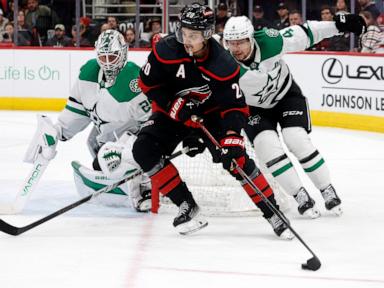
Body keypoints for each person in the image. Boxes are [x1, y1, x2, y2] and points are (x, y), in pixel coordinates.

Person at [128, 3, 293, 239]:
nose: (186, 40)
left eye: (193, 35)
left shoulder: (223, 64)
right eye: (184, 32)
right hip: (173, 113)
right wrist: (172, 106)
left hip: (212, 116)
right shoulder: (165, 50)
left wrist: (232, 137)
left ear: (206, 34)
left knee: (236, 160)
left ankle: (273, 211)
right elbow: (148, 84)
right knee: (144, 150)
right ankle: (188, 206)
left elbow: (234, 107)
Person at [223, 14, 366, 218]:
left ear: (251, 38)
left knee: (296, 138)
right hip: (253, 109)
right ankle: (299, 194)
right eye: (232, 43)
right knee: (266, 146)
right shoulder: (223, 61)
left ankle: (326, 188)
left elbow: (306, 33)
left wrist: (337, 25)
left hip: (286, 96)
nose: (236, 48)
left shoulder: (271, 41)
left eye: (241, 42)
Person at [24, 29, 152, 212]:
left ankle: (145, 185)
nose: (107, 63)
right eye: (103, 57)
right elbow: (78, 111)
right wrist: (56, 132)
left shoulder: (133, 80)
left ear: (123, 53)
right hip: (108, 139)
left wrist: (134, 150)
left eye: (113, 57)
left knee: (109, 154)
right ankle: (123, 177)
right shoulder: (88, 73)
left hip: (135, 141)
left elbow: (153, 122)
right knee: (95, 146)